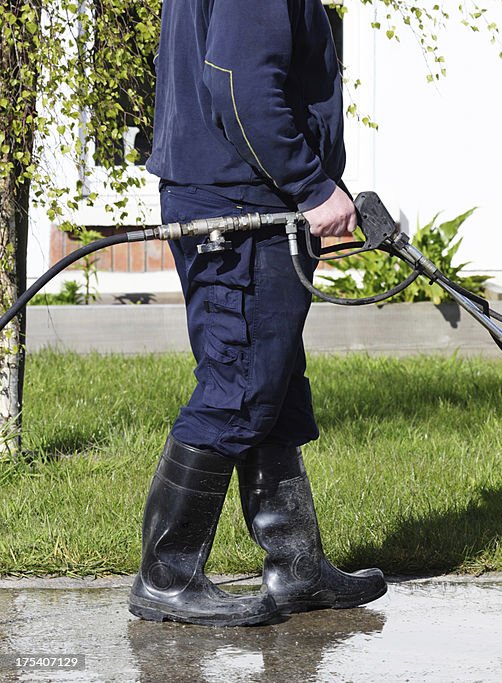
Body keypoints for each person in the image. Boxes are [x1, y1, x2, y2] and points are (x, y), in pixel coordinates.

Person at [130, 0, 386, 626]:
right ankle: (167, 577)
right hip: (241, 207)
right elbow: (240, 85)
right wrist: (312, 185)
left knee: (272, 384)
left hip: (239, 196)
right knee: (238, 388)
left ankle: (295, 569)